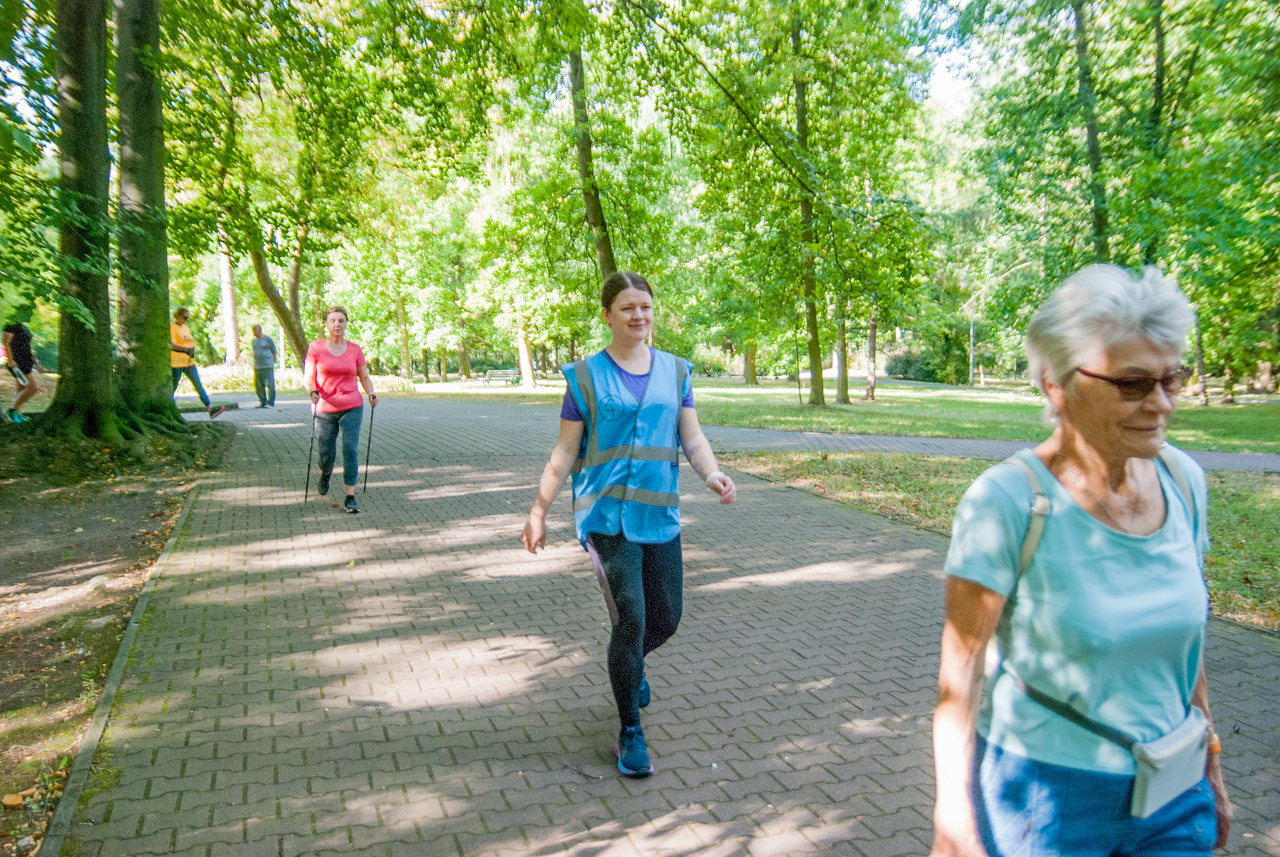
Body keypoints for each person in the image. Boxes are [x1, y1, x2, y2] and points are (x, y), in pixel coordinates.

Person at [930, 265, 1231, 857]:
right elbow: (960, 676)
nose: (1162, 403)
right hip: (1045, 799)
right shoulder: (1007, 501)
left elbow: (1184, 651)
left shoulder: (1184, 482)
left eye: (1172, 378)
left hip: (1173, 787)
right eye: (1133, 384)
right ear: (1056, 384)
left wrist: (1211, 758)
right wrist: (953, 818)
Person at [521, 271, 737, 779]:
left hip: (658, 513)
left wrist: (712, 473)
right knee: (633, 618)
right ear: (607, 315)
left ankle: (629, 662)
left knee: (668, 617)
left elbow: (692, 436)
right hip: (605, 517)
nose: (639, 316)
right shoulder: (584, 377)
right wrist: (538, 512)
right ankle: (630, 731)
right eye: (627, 308)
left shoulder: (676, 371)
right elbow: (565, 451)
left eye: (645, 306)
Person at [304, 306, 377, 514]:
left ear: (346, 324)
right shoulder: (316, 348)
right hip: (324, 407)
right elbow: (308, 377)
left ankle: (350, 496)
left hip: (352, 405)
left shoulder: (355, 349)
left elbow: (364, 377)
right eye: (333, 320)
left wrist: (371, 393)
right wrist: (312, 390)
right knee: (326, 452)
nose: (337, 324)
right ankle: (326, 472)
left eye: (341, 320)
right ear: (326, 324)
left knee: (350, 449)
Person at [170, 307, 225, 419]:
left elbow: (188, 342)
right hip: (177, 363)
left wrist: (191, 350)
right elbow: (172, 345)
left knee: (198, 384)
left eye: (188, 318)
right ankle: (171, 409)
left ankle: (210, 408)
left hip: (189, 362)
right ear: (178, 317)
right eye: (184, 318)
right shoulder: (172, 327)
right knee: (173, 387)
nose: (186, 320)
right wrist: (186, 349)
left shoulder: (186, 328)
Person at [3, 305, 46, 423]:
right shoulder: (11, 325)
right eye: (27, 313)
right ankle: (11, 411)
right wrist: (11, 360)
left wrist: (37, 364)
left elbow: (28, 347)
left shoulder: (24, 328)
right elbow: (6, 343)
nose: (29, 316)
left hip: (27, 360)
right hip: (18, 362)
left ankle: (17, 414)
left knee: (21, 389)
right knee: (33, 388)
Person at [251, 324, 277, 408]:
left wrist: (272, 362)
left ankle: (271, 401)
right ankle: (262, 401)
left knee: (270, 384)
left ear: (259, 330)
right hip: (258, 366)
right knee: (259, 385)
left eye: (255, 331)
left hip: (267, 366)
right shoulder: (254, 341)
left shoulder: (267, 340)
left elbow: (274, 351)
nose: (254, 333)